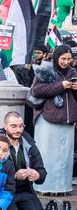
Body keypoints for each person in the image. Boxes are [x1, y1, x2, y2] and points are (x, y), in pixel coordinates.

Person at [31, 44, 77, 194]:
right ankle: (45, 186)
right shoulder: (47, 69)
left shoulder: (73, 72)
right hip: (48, 117)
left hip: (67, 119)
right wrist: (61, 86)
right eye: (63, 58)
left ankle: (62, 187)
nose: (66, 62)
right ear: (56, 57)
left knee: (65, 155)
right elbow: (37, 90)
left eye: (69, 59)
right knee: (47, 153)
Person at [0, 112, 46, 210]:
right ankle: (12, 209)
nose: (18, 130)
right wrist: (14, 176)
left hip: (24, 191)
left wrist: (37, 175)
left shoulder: (29, 144)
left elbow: (42, 171)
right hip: (3, 191)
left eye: (21, 126)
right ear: (5, 126)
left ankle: (19, 208)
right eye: (14, 126)